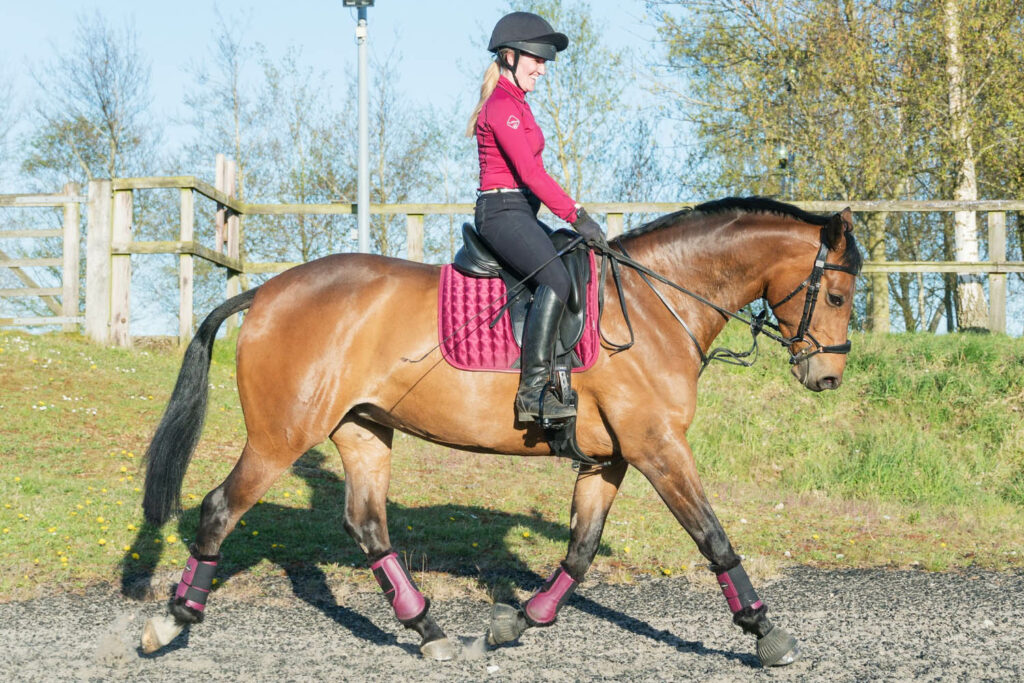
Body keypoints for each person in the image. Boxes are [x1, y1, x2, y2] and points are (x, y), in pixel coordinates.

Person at [466, 11, 607, 424]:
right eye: (536, 59)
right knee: (557, 279)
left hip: (520, 210)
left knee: (571, 261)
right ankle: (531, 394)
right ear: (509, 56)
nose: (542, 69)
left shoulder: (518, 105)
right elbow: (530, 173)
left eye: (544, 62)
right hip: (501, 211)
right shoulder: (502, 106)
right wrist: (576, 215)